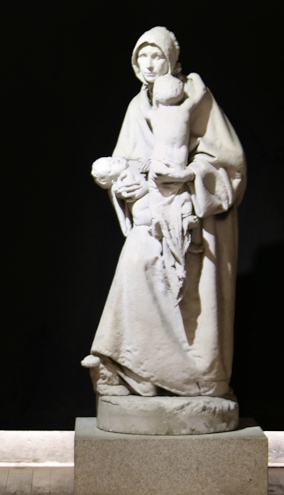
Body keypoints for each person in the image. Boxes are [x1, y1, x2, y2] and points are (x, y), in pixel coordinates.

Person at [82, 27, 246, 398]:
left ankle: (190, 377)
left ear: (172, 59)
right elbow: (127, 160)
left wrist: (187, 176)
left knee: (172, 290)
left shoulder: (196, 97)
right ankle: (130, 367)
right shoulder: (137, 106)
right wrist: (124, 183)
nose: (149, 64)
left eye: (157, 56)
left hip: (191, 213)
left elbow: (229, 163)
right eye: (142, 56)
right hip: (151, 214)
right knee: (136, 267)